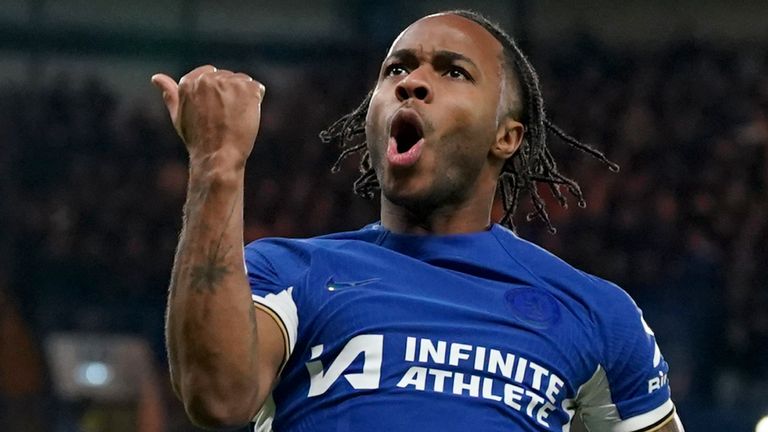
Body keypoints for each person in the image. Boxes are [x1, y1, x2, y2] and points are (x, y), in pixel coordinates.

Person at [152, 10, 684, 432]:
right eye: (397, 69)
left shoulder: (595, 312)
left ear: (507, 136)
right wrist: (217, 164)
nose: (413, 83)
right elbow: (217, 395)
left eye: (454, 71)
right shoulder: (291, 272)